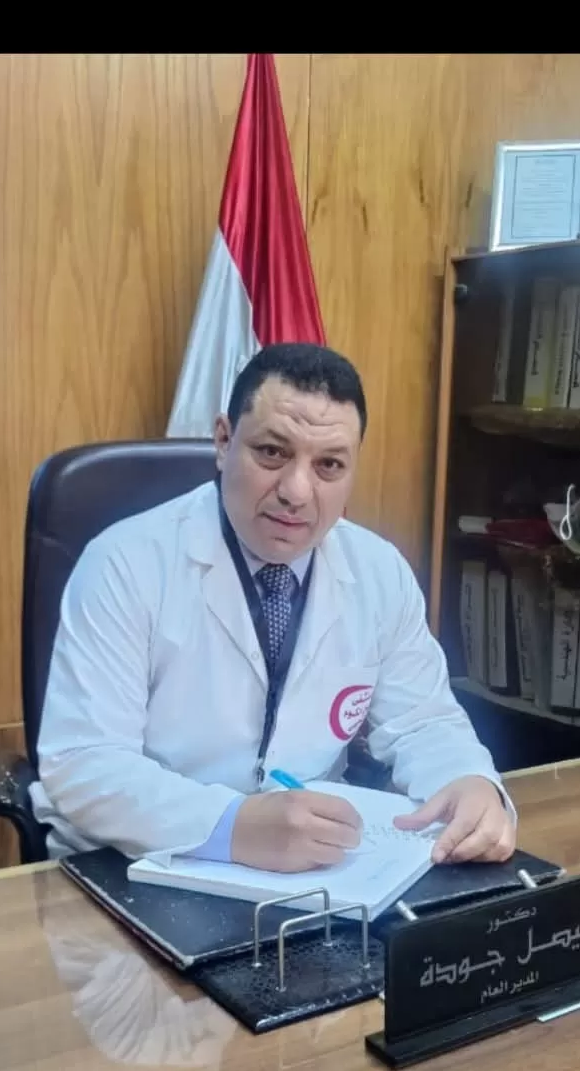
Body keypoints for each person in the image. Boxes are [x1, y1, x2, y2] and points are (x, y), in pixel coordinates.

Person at [30, 342, 517, 872]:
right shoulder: (125, 562)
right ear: (223, 441)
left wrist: (468, 781)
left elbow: (422, 722)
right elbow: (83, 761)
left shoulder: (379, 571)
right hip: (133, 860)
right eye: (271, 452)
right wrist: (230, 824)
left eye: (329, 465)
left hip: (312, 869)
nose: (297, 491)